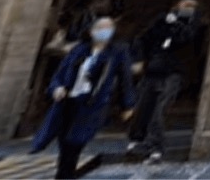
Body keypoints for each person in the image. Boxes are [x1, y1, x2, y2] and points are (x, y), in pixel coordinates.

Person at [31, 17, 135, 179]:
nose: (104, 31)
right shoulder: (80, 49)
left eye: (109, 27)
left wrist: (127, 105)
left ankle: (64, 175)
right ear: (91, 30)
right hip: (67, 101)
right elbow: (60, 73)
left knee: (75, 143)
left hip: (91, 104)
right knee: (64, 143)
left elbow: (125, 79)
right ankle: (65, 174)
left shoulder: (118, 52)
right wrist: (57, 88)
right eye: (100, 27)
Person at [128, 0, 201, 164]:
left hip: (173, 73)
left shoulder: (190, 25)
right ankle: (137, 139)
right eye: (186, 5)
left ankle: (156, 147)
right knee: (143, 106)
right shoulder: (160, 22)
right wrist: (138, 60)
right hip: (153, 70)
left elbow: (187, 39)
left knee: (159, 110)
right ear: (177, 4)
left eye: (192, 7)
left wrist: (176, 22)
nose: (188, 9)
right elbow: (142, 39)